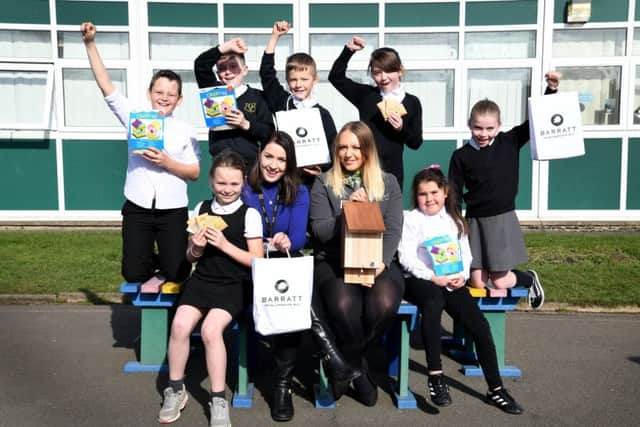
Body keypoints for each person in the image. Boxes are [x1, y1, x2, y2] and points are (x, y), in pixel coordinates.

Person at [81, 22, 199, 289]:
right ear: (149, 94)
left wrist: (167, 162)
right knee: (133, 273)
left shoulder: (185, 130)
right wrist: (89, 44)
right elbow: (106, 87)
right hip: (138, 206)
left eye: (171, 94)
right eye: (159, 92)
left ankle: (165, 266)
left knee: (178, 271)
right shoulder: (136, 116)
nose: (164, 98)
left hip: (173, 208)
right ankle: (153, 263)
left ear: (179, 100)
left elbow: (194, 173)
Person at [398, 166, 524, 414]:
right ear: (416, 196)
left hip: (451, 281)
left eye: (434, 192)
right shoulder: (411, 219)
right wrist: (432, 277)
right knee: (432, 305)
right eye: (423, 194)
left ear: (444, 192)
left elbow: (465, 254)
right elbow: (406, 257)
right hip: (421, 279)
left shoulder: (454, 219)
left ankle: (496, 389)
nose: (429, 198)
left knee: (478, 324)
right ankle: (436, 376)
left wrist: (461, 276)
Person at [158, 150, 263, 426]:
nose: (227, 190)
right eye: (221, 183)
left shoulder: (249, 214)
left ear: (242, 184)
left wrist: (225, 245)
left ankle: (218, 399)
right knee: (180, 325)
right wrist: (197, 247)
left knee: (210, 330)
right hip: (203, 280)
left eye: (233, 184)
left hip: (235, 283)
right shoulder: (201, 209)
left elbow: (257, 261)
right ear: (210, 182)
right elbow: (191, 257)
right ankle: (176, 389)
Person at [309, 121, 404, 406]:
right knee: (343, 306)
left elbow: (394, 228)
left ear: (367, 150)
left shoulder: (387, 182)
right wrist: (349, 208)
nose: (349, 153)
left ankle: (347, 361)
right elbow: (320, 231)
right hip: (335, 261)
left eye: (355, 147)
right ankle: (361, 371)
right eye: (342, 147)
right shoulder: (324, 182)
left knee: (385, 303)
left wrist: (381, 264)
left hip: (378, 260)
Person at [448, 71, 561, 309]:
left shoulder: (509, 141)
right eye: (478, 128)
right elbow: (455, 192)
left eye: (489, 128)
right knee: (476, 281)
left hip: (501, 219)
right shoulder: (461, 155)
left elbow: (537, 120)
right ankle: (481, 324)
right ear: (470, 125)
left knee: (499, 281)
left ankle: (528, 279)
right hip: (475, 222)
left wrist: (551, 90)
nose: (484, 134)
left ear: (499, 126)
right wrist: (455, 221)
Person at [241, 131, 309, 421]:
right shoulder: (244, 187)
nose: (273, 164)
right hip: (248, 264)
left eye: (281, 159)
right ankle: (335, 359)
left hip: (281, 262)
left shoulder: (299, 191)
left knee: (290, 304)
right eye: (269, 156)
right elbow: (242, 233)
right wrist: (264, 242)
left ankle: (282, 385)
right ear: (259, 155)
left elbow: (297, 238)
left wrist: (285, 242)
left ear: (289, 163)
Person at [328, 36, 423, 188]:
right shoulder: (366, 95)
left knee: (389, 212)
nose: (383, 77)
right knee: (361, 211)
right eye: (377, 72)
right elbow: (335, 77)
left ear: (400, 70)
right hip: (362, 171)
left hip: (393, 174)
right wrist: (349, 50)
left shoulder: (412, 102)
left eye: (389, 71)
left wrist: (401, 129)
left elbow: (416, 142)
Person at [259, 20, 336, 187]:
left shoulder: (323, 114)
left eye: (304, 79)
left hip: (310, 184)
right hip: (281, 182)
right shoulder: (282, 102)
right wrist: (274, 37)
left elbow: (333, 150)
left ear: (314, 80)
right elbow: (266, 74)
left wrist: (322, 170)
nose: (298, 84)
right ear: (287, 81)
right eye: (293, 80)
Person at [194, 37, 274, 170]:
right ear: (218, 74)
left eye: (233, 66)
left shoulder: (257, 97)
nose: (228, 72)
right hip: (220, 167)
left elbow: (269, 132)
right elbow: (200, 65)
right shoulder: (213, 91)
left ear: (245, 70)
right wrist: (225, 47)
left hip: (250, 169)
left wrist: (245, 124)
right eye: (222, 68)